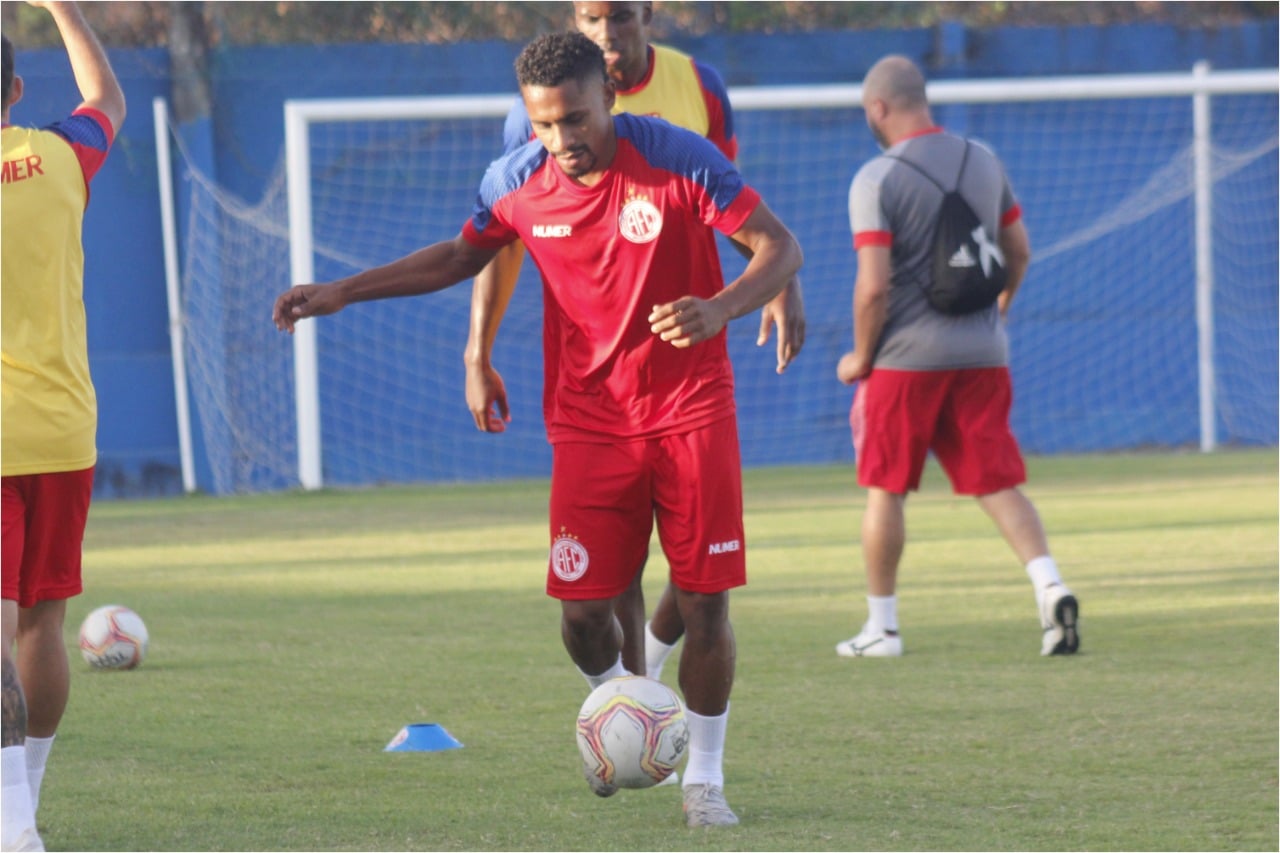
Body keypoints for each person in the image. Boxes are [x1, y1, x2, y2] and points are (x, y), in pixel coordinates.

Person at [275, 31, 803, 827]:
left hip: (691, 409)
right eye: (545, 124)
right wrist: (346, 291)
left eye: (577, 119)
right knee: (583, 616)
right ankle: (619, 714)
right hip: (589, 422)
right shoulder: (515, 178)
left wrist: (720, 307)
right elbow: (460, 256)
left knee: (705, 605)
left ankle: (704, 780)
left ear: (610, 99)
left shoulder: (678, 157)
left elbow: (779, 245)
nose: (563, 139)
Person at [466, 0, 805, 683]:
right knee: (609, 577)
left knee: (701, 577)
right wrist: (479, 350)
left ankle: (650, 677)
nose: (605, 32)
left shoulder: (697, 89)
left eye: (618, 15)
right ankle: (632, 701)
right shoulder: (534, 115)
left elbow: (738, 211)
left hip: (684, 371)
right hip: (596, 388)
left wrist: (772, 286)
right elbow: (502, 237)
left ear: (647, 13)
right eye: (588, 19)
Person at [834, 55, 1079, 659]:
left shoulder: (876, 179)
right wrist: (1001, 308)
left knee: (885, 489)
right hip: (982, 355)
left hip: (904, 363)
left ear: (877, 109)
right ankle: (1050, 587)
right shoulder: (984, 160)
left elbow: (873, 287)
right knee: (997, 482)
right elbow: (1019, 251)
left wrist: (860, 356)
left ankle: (882, 629)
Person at [1, 3, 126, 850]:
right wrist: (61, 7)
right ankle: (25, 806)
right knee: (40, 627)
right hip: (63, 428)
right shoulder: (58, 157)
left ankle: (12, 826)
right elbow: (107, 99)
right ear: (14, 90)